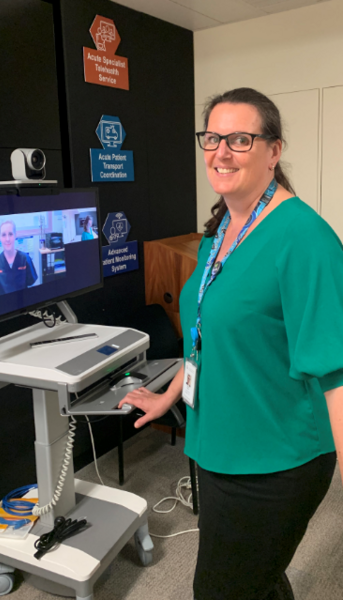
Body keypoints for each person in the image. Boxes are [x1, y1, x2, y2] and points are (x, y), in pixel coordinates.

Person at [119, 87, 343, 600]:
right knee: (257, 577)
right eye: (212, 137)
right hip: (217, 447)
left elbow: (338, 374)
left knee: (221, 589)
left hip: (274, 461)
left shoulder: (304, 238)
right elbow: (204, 339)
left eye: (240, 139)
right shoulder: (218, 232)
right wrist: (167, 396)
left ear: (273, 150)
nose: (221, 151)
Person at [0, 220, 38, 296]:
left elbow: (32, 289)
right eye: (4, 235)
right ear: (0, 237)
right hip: (4, 306)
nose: (7, 239)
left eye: (10, 234)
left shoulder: (25, 259)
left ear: (15, 235)